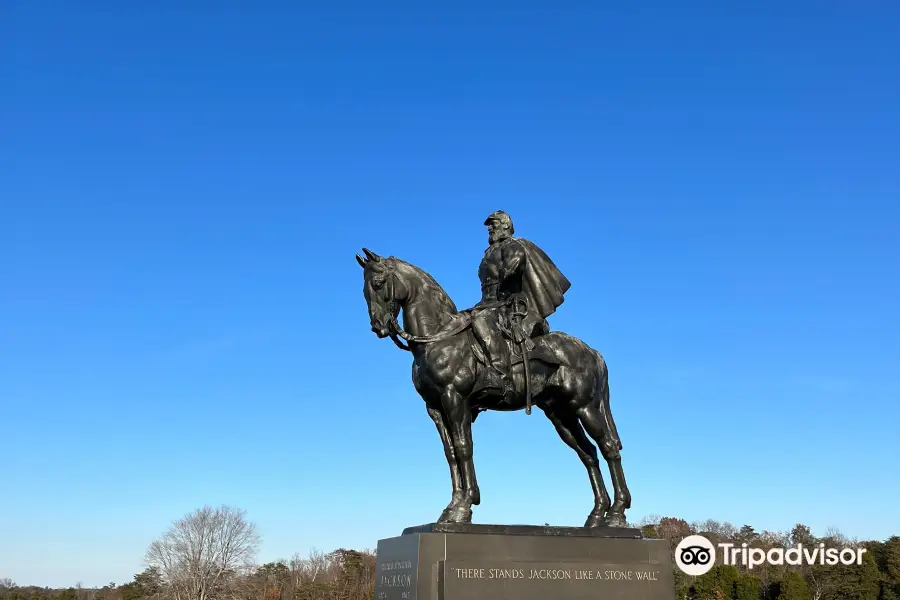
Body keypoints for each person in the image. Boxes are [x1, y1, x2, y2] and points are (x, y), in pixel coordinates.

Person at [466, 210, 571, 399]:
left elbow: (516, 263)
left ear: (506, 225)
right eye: (489, 225)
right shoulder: (489, 253)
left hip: (508, 304)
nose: (490, 228)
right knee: (462, 321)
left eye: (494, 223)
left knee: (481, 320)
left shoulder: (512, 245)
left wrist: (507, 273)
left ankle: (501, 376)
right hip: (487, 303)